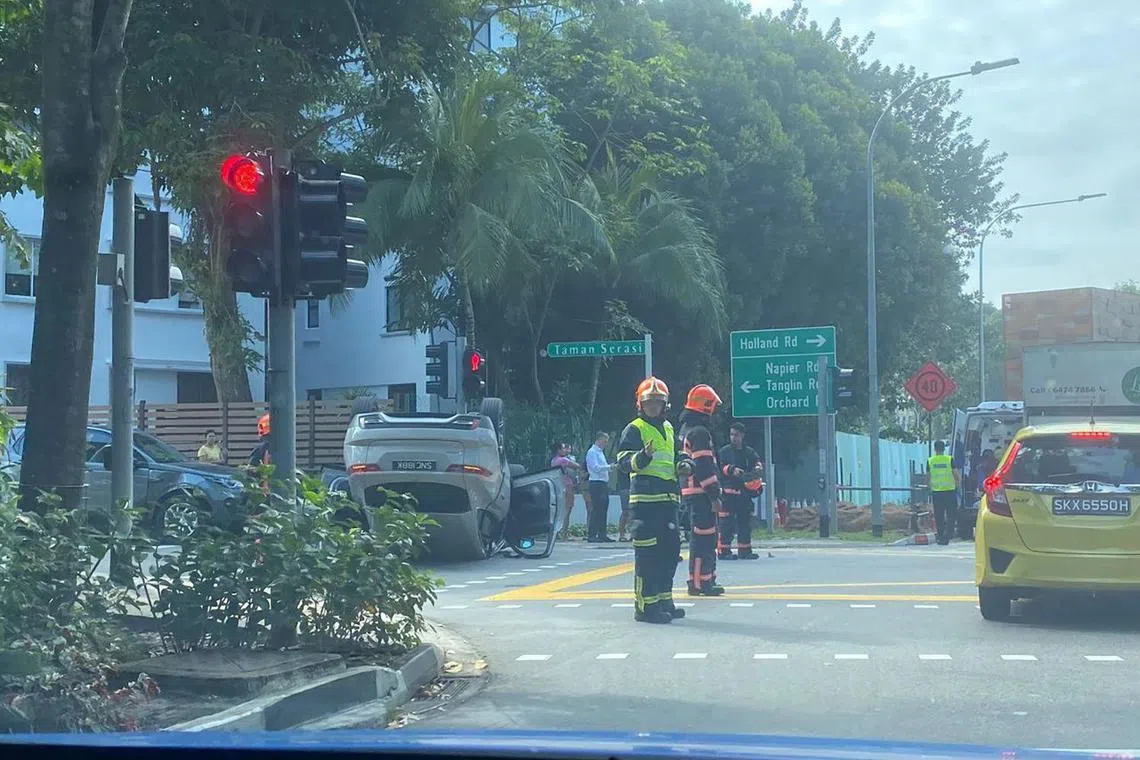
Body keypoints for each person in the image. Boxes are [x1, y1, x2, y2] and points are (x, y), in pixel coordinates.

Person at [615, 377, 687, 624]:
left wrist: (686, 464)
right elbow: (623, 462)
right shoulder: (634, 428)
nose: (654, 406)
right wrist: (642, 457)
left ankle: (664, 599)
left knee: (670, 552)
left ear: (665, 405)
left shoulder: (668, 428)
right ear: (640, 404)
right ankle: (645, 606)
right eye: (649, 402)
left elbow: (678, 454)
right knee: (648, 556)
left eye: (658, 402)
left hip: (668, 501)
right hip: (645, 503)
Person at [678, 384, 726, 596]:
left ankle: (702, 579)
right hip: (700, 494)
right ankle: (700, 582)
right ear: (706, 407)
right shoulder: (699, 432)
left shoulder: (686, 429)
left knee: (702, 537)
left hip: (692, 492)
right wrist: (714, 495)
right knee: (704, 538)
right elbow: (704, 465)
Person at [717, 422, 763, 560]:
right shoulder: (724, 452)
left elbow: (757, 462)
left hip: (744, 494)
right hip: (728, 495)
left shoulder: (749, 452)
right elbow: (719, 467)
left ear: (742, 435)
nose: (733, 438)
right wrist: (731, 470)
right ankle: (724, 551)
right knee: (726, 524)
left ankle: (745, 550)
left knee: (745, 523)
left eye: (736, 435)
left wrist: (757, 468)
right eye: (731, 434)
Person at [928, 439, 960, 545]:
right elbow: (956, 474)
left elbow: (928, 477)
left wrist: (930, 487)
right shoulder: (949, 459)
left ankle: (941, 536)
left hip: (936, 492)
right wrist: (958, 486)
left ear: (935, 449)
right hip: (950, 491)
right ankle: (948, 535)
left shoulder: (930, 461)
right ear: (944, 449)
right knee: (951, 514)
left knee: (939, 515)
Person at [585, 431, 615, 542]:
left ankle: (602, 534)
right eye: (604, 441)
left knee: (603, 509)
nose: (605, 443)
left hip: (602, 483)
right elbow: (595, 468)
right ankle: (592, 534)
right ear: (598, 440)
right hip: (596, 482)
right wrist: (608, 467)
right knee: (597, 509)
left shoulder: (600, 452)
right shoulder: (592, 452)